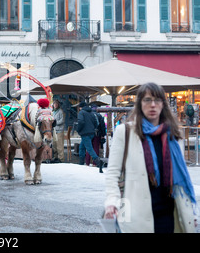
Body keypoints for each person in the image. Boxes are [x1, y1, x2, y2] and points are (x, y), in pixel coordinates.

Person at [104, 82, 198, 233]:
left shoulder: (173, 135)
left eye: (157, 100)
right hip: (136, 217)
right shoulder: (125, 132)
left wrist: (189, 212)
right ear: (140, 103)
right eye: (147, 100)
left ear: (163, 104)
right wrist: (112, 202)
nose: (152, 105)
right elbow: (113, 173)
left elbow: (181, 176)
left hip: (170, 216)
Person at [76, 101, 104, 172]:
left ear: (80, 107)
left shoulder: (81, 113)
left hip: (85, 133)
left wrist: (78, 130)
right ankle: (81, 162)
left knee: (89, 149)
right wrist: (92, 128)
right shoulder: (92, 112)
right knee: (82, 147)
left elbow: (81, 122)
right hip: (91, 133)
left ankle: (98, 162)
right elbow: (96, 123)